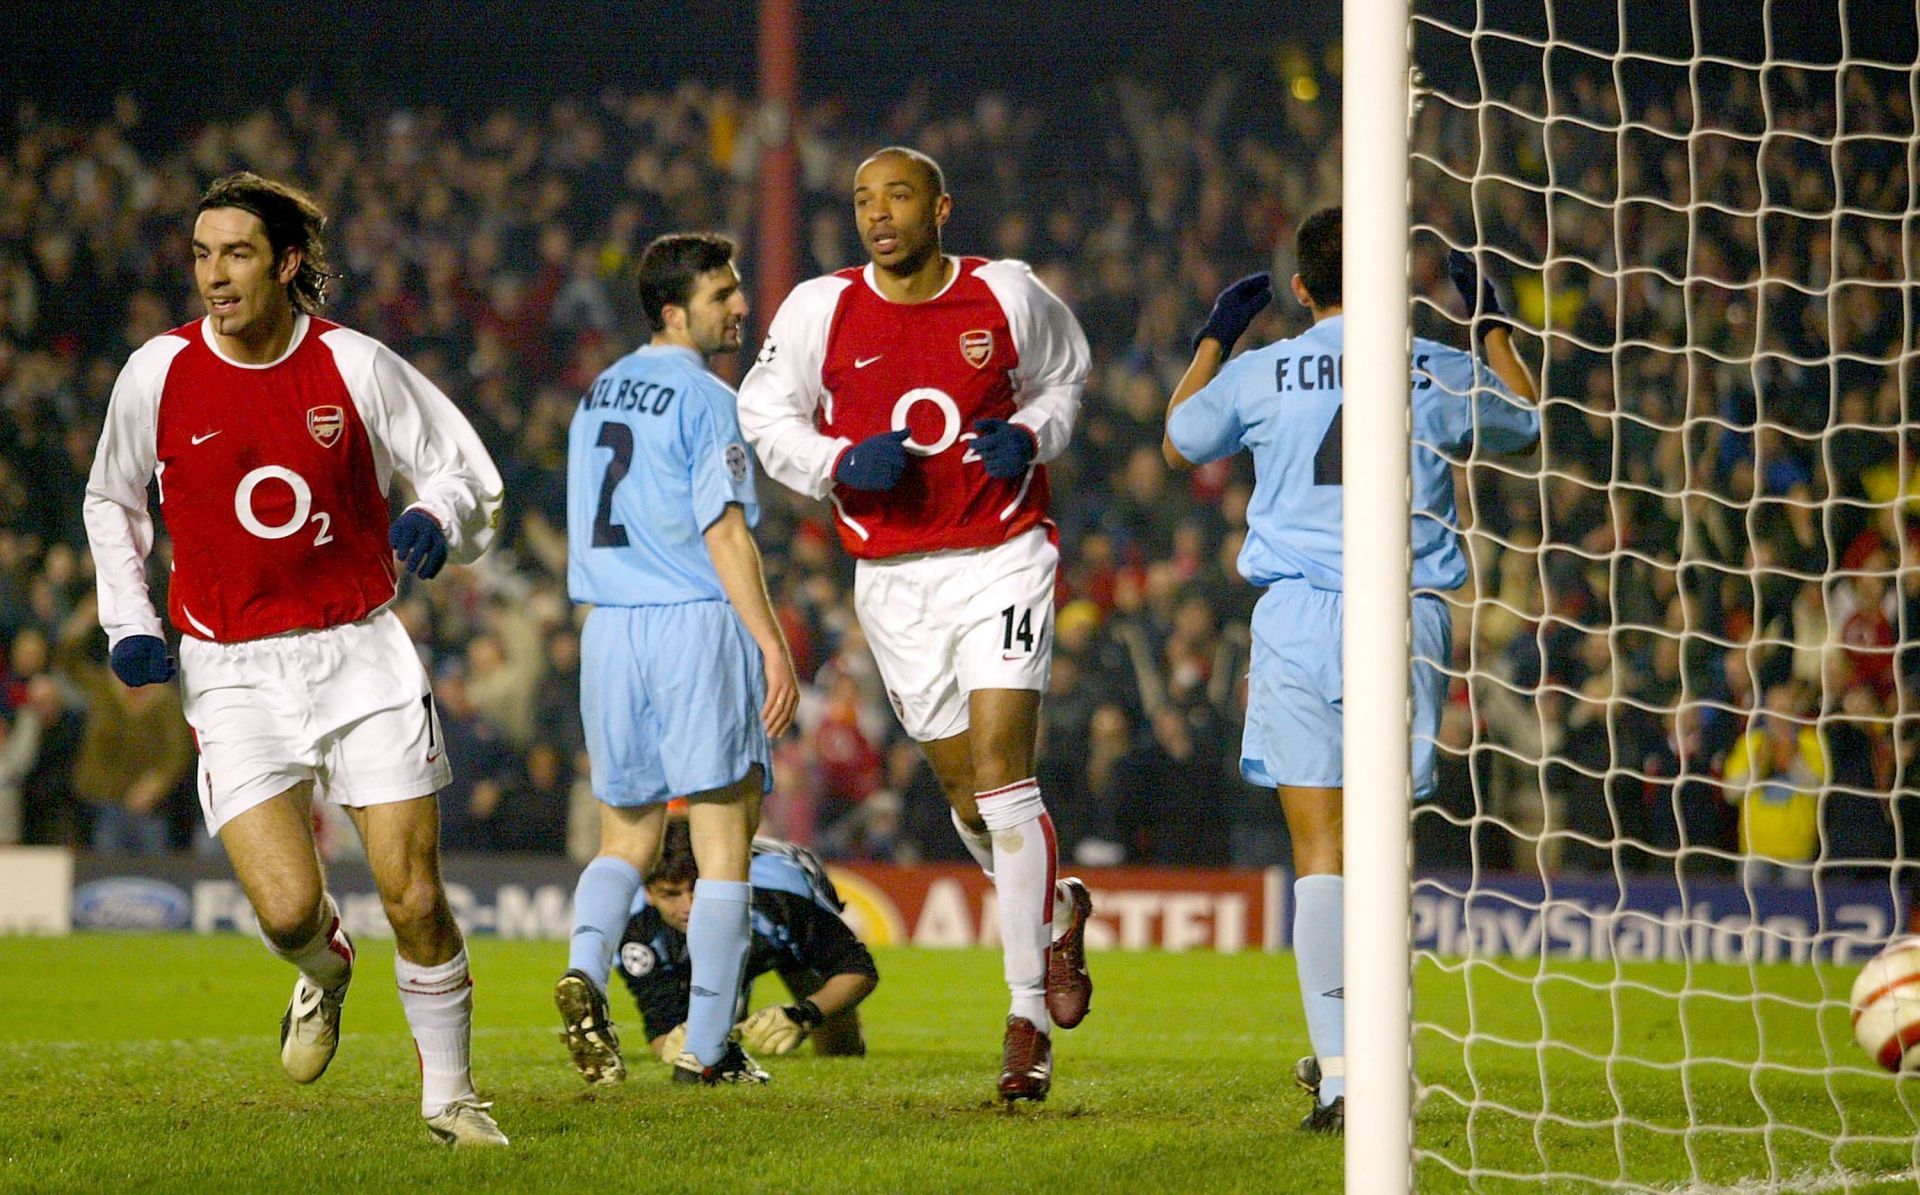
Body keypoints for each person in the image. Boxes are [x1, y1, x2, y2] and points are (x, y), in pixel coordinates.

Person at [82, 172, 508, 1146]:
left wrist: (435, 515)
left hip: (359, 653)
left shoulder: (356, 366)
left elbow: (459, 465)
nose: (213, 276)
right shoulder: (157, 371)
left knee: (414, 893)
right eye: (200, 255)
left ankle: (450, 1098)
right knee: (284, 913)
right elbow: (111, 499)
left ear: (285, 264)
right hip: (231, 671)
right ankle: (323, 971)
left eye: (235, 254)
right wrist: (129, 618)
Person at [1161, 208, 1541, 1134]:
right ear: (1400, 281)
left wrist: (1217, 334)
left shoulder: (1261, 370)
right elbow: (1527, 422)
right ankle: (1375, 1050)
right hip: (1403, 617)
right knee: (1380, 850)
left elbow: (1179, 440)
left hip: (1297, 617)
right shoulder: (1436, 364)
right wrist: (1488, 319)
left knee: (1318, 851)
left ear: (1300, 288)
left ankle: (1339, 1073)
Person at [739, 146, 1096, 1102]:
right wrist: (835, 462)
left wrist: (1033, 433)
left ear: (941, 205)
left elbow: (1068, 379)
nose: (877, 213)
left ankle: (1026, 1016)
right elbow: (764, 413)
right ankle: (1058, 911)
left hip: (1004, 555)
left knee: (1006, 773)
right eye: (862, 199)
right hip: (894, 579)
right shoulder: (822, 307)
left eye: (896, 195)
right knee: (967, 794)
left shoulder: (1007, 294)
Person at [556, 232, 799, 1088]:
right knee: (724, 833)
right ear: (674, 311)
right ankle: (708, 1046)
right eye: (723, 293)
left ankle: (585, 970)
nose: (740, 305)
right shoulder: (704, 397)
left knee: (626, 833)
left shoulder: (597, 394)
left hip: (610, 626)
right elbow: (724, 531)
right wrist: (772, 642)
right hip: (692, 621)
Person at [616, 819, 878, 1063]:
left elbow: (858, 970)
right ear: (648, 893)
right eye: (671, 894)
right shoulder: (635, 932)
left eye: (698, 888)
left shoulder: (782, 896)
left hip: (782, 921)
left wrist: (806, 1014)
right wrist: (678, 1046)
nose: (689, 907)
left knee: (839, 1043)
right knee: (704, 1037)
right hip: (734, 930)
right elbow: (662, 1029)